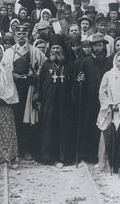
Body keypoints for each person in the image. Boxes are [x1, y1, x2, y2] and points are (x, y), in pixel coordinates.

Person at [3, 25, 46, 159]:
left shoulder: (34, 51)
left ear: (27, 35)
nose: (21, 36)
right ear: (14, 35)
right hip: (14, 88)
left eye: (24, 33)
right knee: (16, 118)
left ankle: (27, 148)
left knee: (28, 120)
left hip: (29, 88)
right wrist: (13, 75)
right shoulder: (9, 52)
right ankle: (16, 149)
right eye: (19, 34)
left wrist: (37, 73)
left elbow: (45, 65)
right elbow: (4, 69)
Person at [34, 35, 73, 166]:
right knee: (48, 129)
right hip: (48, 103)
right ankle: (47, 156)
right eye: (54, 48)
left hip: (64, 104)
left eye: (58, 48)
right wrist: (38, 99)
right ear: (50, 50)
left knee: (63, 129)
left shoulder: (68, 65)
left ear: (62, 50)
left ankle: (63, 157)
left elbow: (73, 84)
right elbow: (39, 83)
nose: (55, 51)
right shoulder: (45, 65)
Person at [77, 33, 111, 163]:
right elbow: (81, 80)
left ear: (104, 46)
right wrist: (80, 82)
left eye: (100, 45)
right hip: (88, 99)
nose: (97, 48)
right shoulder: (86, 61)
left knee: (101, 127)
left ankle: (99, 155)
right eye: (95, 46)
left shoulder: (108, 62)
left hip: (103, 100)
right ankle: (86, 155)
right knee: (88, 125)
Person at [97, 52, 120, 171]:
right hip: (110, 110)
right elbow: (102, 92)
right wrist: (110, 105)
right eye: (118, 61)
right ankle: (105, 164)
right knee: (106, 135)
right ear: (115, 61)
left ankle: (119, 165)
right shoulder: (108, 74)